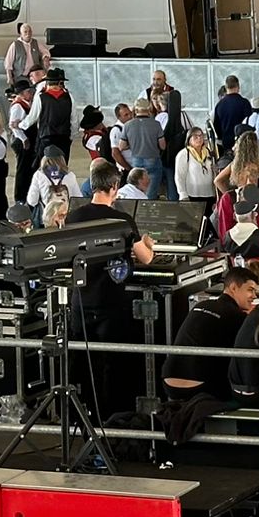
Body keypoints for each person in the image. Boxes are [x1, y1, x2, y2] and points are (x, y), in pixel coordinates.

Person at [66, 161, 159, 421]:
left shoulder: (74, 217)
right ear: (115, 186)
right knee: (112, 362)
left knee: (84, 361)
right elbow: (146, 258)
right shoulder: (122, 220)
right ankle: (111, 418)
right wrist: (148, 244)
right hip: (110, 301)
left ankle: (83, 417)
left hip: (80, 300)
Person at [164, 266, 259, 405]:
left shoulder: (202, 304)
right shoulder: (236, 316)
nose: (254, 296)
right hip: (201, 387)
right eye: (250, 290)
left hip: (169, 381)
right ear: (233, 287)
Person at [119, 98, 168, 199]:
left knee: (136, 192)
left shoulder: (127, 125)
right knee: (151, 194)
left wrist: (132, 144)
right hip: (153, 160)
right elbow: (163, 146)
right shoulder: (156, 124)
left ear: (135, 109)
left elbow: (121, 146)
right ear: (149, 108)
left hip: (136, 161)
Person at [3, 21, 48, 89]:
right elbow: (8, 62)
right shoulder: (15, 45)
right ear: (21, 34)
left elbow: (45, 51)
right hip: (20, 76)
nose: (28, 34)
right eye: (25, 32)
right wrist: (9, 77)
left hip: (34, 75)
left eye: (29, 31)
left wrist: (45, 58)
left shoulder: (35, 43)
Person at [176, 126, 217, 200]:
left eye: (201, 136)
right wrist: (183, 194)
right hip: (192, 194)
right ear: (189, 139)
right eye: (195, 137)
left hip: (209, 194)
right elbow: (179, 176)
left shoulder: (208, 152)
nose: (199, 138)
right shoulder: (184, 154)